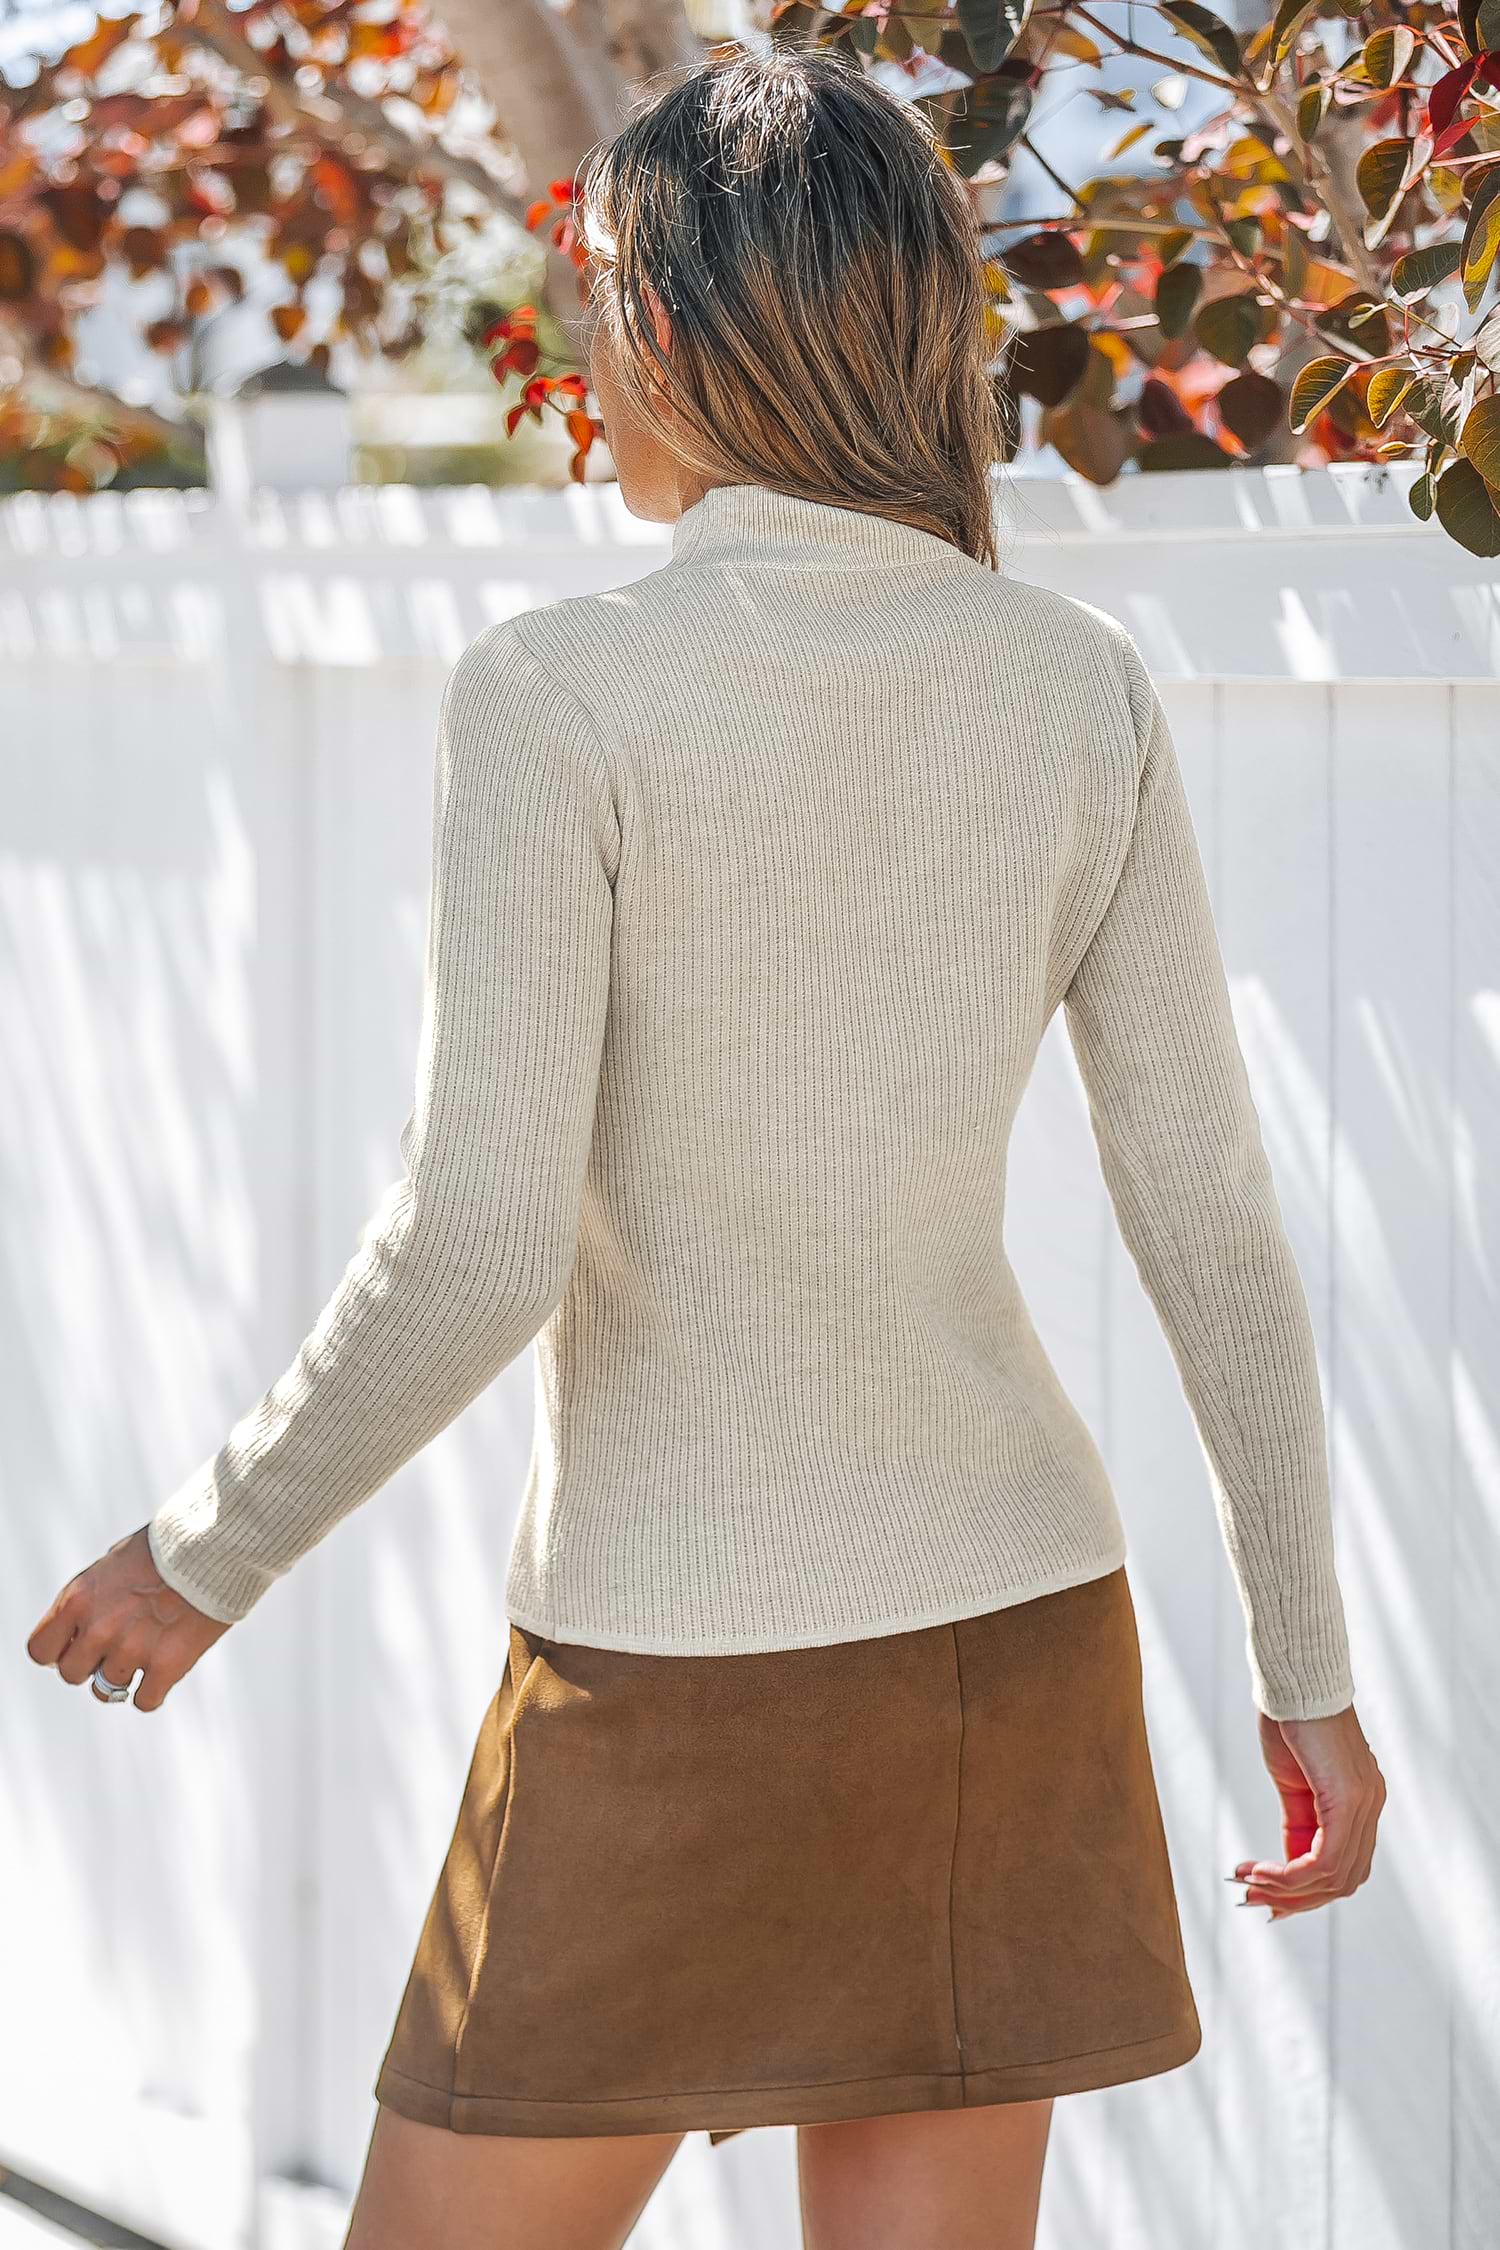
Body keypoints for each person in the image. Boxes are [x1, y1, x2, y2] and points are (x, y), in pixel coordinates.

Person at [25, 40, 1385, 2250]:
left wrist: (204, 1551)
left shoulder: (559, 690)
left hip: (659, 1667)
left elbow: (478, 1242)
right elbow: (1212, 1225)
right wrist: (1306, 1674)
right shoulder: (1073, 685)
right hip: (1010, 1647)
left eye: (595, 306)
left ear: (656, 321)